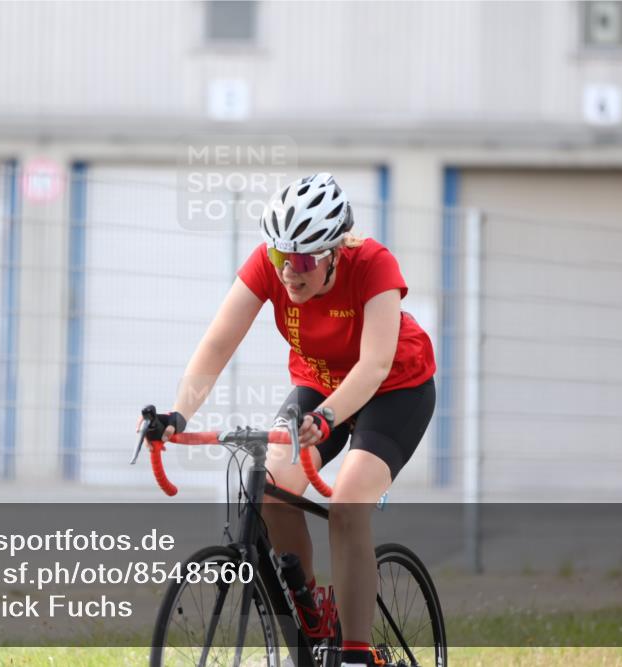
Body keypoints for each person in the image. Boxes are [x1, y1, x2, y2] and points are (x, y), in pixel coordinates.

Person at [144, 173, 436, 667]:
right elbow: (218, 343)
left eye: (301, 262)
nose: (288, 272)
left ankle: (356, 653)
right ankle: (311, 615)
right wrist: (178, 413)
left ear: (334, 253)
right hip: (319, 384)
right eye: (280, 258)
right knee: (273, 488)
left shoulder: (374, 265)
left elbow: (374, 367)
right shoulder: (271, 264)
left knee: (347, 506)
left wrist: (327, 418)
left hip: (393, 389)